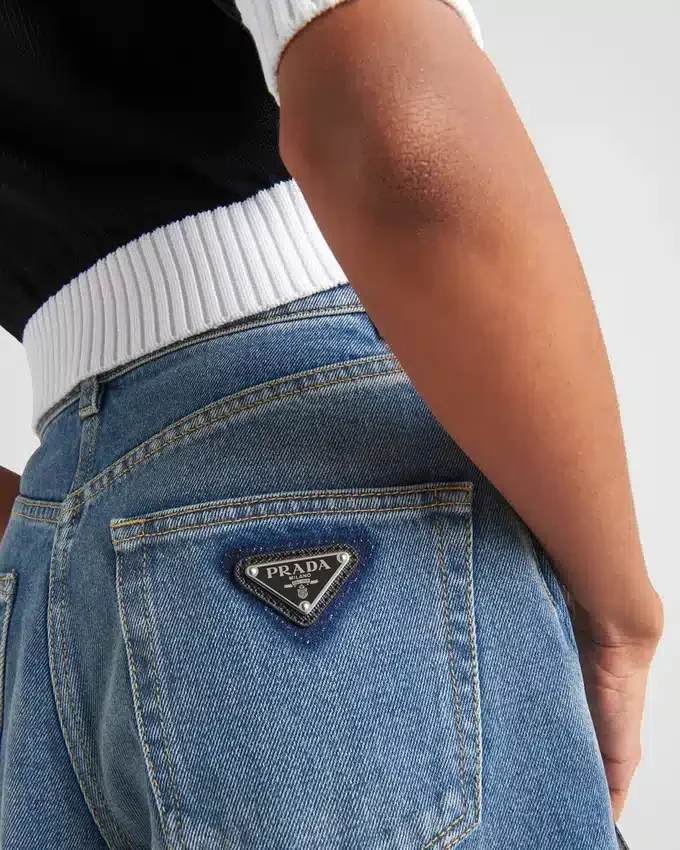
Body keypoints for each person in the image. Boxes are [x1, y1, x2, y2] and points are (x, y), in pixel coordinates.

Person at [0, 1, 662, 848]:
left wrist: (63, 581)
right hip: (324, 441)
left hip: (44, 568)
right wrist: (621, 614)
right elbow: (396, 133)